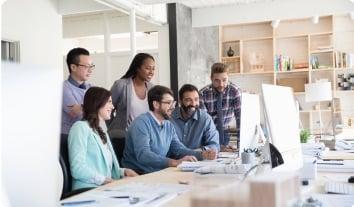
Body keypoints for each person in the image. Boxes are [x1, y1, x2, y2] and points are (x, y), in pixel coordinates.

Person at [122, 85, 217, 174]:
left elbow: (178, 149)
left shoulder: (168, 124)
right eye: (168, 103)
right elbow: (143, 155)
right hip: (138, 174)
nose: (173, 107)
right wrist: (174, 162)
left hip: (157, 173)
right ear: (156, 104)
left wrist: (203, 155)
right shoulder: (141, 123)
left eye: (173, 103)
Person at [68, 87, 138, 190]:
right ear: (98, 103)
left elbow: (106, 169)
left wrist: (123, 171)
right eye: (109, 102)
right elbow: (77, 168)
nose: (113, 106)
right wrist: (107, 181)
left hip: (104, 188)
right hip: (87, 190)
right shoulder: (80, 127)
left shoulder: (101, 130)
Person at [107, 53, 155, 138]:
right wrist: (113, 128)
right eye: (147, 68)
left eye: (153, 69)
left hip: (144, 138)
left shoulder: (152, 88)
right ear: (137, 68)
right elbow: (107, 107)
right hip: (123, 137)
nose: (151, 72)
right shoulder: (120, 85)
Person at [199, 62, 241, 152]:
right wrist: (215, 145)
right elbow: (204, 123)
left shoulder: (235, 91)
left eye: (224, 80)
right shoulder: (203, 93)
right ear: (211, 79)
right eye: (217, 80)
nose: (221, 84)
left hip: (225, 133)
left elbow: (240, 118)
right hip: (208, 133)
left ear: (228, 77)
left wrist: (240, 146)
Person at [170, 84, 220, 151]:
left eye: (196, 99)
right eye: (188, 100)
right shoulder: (169, 117)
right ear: (180, 101)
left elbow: (214, 145)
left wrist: (199, 152)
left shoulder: (205, 118)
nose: (193, 104)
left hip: (197, 159)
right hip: (174, 160)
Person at [61, 47, 93, 136]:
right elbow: (79, 116)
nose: (90, 70)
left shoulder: (91, 87)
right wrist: (93, 107)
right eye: (86, 66)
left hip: (87, 134)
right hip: (68, 136)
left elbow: (102, 107)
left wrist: (82, 107)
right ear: (73, 67)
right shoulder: (63, 88)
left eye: (91, 66)